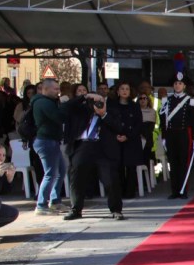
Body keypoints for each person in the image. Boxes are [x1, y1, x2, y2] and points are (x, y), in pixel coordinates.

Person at [62, 88, 124, 220]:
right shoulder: (81, 109)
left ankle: (116, 209)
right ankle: (76, 209)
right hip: (83, 145)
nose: (97, 103)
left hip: (103, 147)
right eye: (95, 100)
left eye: (101, 100)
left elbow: (119, 127)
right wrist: (84, 97)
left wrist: (104, 114)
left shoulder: (112, 109)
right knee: (77, 176)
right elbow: (65, 107)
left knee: (110, 179)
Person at [159, 72, 194, 199]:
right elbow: (163, 120)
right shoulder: (167, 100)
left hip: (183, 134)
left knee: (183, 162)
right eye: (176, 83)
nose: (178, 85)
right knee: (173, 163)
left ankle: (183, 190)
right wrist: (164, 137)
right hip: (171, 134)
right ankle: (174, 191)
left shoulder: (191, 101)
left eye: (180, 83)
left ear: (184, 86)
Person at [30, 79, 69, 215]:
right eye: (55, 89)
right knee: (51, 173)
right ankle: (41, 204)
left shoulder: (49, 102)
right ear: (45, 89)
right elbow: (59, 117)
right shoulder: (43, 103)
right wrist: (66, 106)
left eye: (58, 89)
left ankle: (55, 201)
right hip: (46, 141)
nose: (58, 92)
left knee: (61, 171)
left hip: (52, 140)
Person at [105, 82, 144, 199]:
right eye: (122, 89)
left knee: (131, 167)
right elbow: (109, 122)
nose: (124, 91)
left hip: (131, 139)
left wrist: (128, 136)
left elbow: (138, 124)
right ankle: (119, 191)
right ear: (118, 91)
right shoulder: (112, 106)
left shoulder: (135, 106)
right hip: (116, 139)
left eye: (127, 89)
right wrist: (116, 135)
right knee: (118, 167)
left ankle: (130, 191)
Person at [137, 93, 157, 167]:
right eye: (140, 98)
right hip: (137, 138)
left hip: (147, 138)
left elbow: (151, 127)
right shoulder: (136, 111)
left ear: (148, 100)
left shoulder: (152, 111)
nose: (142, 100)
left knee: (146, 159)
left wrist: (144, 136)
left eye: (144, 98)